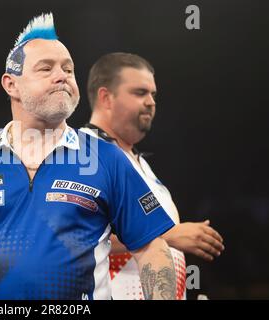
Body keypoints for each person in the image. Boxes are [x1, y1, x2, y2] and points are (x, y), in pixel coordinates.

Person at [0, 14, 178, 300]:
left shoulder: (107, 158)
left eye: (68, 68)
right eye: (46, 68)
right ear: (11, 84)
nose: (62, 75)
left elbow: (152, 248)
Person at [81, 52, 225, 299]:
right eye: (140, 93)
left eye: (153, 94)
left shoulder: (141, 164)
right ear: (106, 97)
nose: (151, 102)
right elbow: (74, 237)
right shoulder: (83, 152)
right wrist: (171, 235)